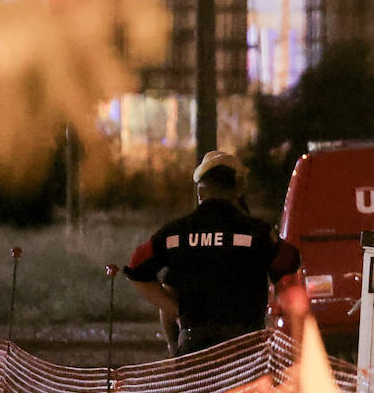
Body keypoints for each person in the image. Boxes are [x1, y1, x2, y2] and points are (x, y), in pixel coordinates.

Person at [124, 150, 301, 356]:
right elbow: (291, 261)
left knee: (196, 388)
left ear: (200, 193)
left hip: (194, 345)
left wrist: (178, 311)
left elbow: (137, 268)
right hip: (246, 347)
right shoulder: (257, 234)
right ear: (237, 191)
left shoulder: (175, 234)